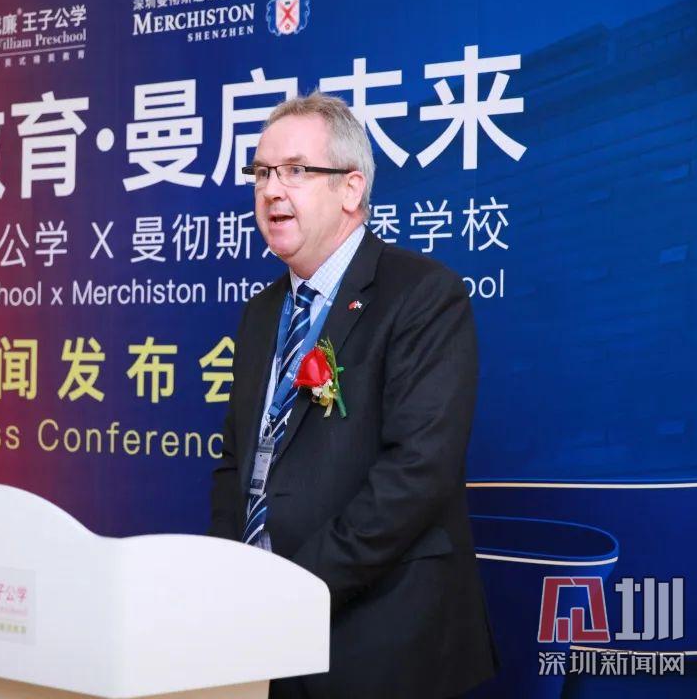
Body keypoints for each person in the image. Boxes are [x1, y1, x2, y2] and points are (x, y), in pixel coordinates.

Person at [209, 92, 498, 698]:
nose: (270, 190)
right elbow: (238, 461)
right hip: (262, 635)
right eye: (261, 173)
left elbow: (417, 472)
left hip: (380, 635)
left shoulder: (422, 295)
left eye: (294, 170)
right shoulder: (261, 313)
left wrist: (300, 586)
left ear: (350, 188)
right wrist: (233, 583)